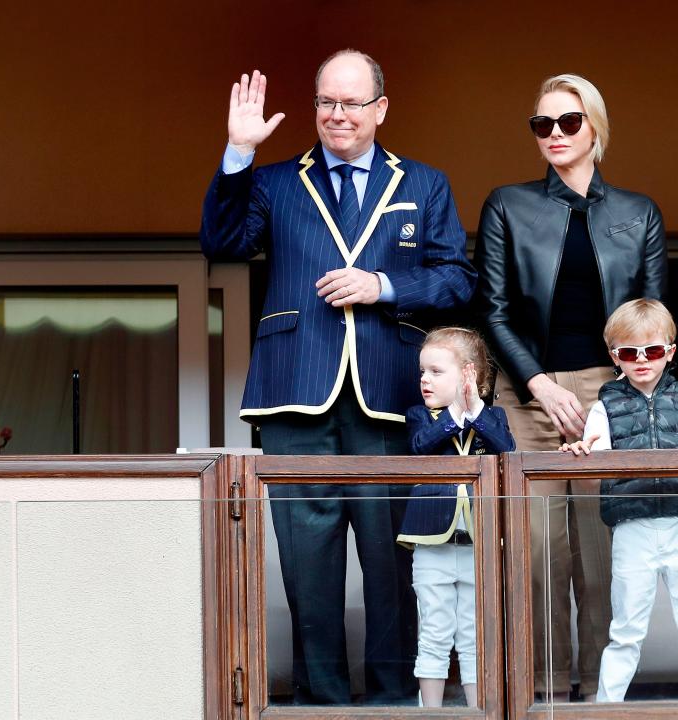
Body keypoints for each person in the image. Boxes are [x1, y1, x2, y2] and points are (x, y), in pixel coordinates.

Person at [200, 50, 477, 705]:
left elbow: (457, 279)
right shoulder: (273, 182)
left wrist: (381, 285)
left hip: (388, 401)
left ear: (380, 108)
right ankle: (320, 703)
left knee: (393, 566)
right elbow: (222, 243)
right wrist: (237, 152)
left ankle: (392, 701)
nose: (337, 115)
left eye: (352, 103)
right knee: (307, 567)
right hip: (295, 395)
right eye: (327, 101)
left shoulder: (425, 184)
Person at [472, 73, 667, 700]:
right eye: (542, 124)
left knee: (604, 547)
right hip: (527, 394)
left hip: (612, 395)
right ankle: (546, 691)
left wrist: (626, 395)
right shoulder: (507, 203)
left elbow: (653, 318)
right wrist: (538, 385)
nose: (554, 134)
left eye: (568, 122)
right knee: (536, 553)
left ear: (595, 128)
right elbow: (493, 310)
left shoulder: (638, 213)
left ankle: (603, 695)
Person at [560, 298, 678, 702]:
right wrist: (582, 449)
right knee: (625, 629)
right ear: (615, 357)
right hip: (632, 526)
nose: (641, 360)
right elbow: (594, 450)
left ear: (670, 351)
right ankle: (607, 708)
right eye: (629, 352)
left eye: (653, 350)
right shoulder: (605, 404)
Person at [397, 327, 515, 707]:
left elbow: (507, 450)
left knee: (474, 634)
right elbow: (420, 447)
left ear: (469, 374)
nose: (424, 380)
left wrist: (474, 410)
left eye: (435, 371)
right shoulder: (420, 416)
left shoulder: (492, 417)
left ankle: (477, 712)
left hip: (480, 543)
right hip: (433, 544)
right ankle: (429, 712)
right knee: (433, 631)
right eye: (422, 372)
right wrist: (454, 413)